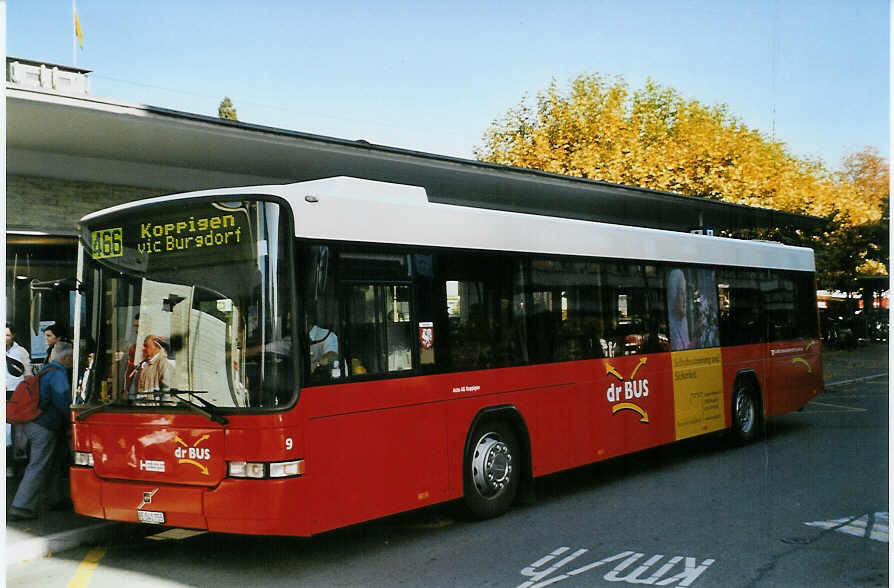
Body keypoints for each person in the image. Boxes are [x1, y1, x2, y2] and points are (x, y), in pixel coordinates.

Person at [8, 341, 74, 521]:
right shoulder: (59, 373)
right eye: (73, 357)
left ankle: (56, 498)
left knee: (51, 461)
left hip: (34, 422)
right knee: (38, 464)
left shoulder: (46, 370)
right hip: (44, 426)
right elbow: (62, 400)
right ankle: (20, 506)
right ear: (66, 358)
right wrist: (72, 418)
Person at [6, 323, 32, 477]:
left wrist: (28, 395)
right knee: (5, 432)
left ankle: (19, 462)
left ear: (13, 336)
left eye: (7, 335)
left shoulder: (21, 352)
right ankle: (7, 464)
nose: (4, 338)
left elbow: (28, 375)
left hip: (17, 394)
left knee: (19, 431)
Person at [667, 269, 691, 351]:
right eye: (681, 293)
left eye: (685, 293)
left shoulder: (683, 323)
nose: (685, 299)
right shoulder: (671, 329)